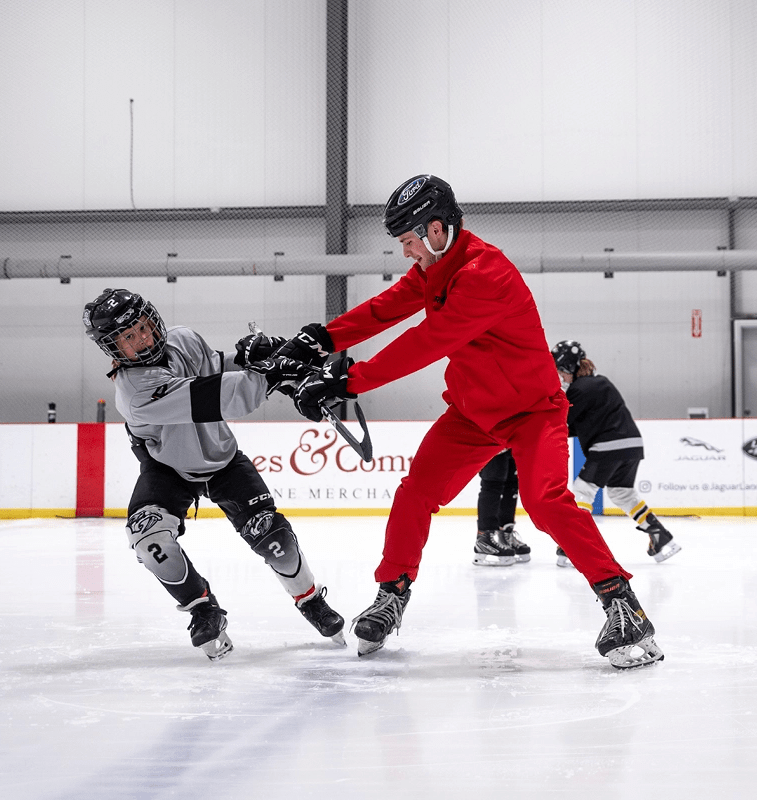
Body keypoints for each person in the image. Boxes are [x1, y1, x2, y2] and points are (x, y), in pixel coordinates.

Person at [280, 174, 663, 670]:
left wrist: (348, 382)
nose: (406, 254)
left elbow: (427, 341)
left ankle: (623, 606)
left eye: (409, 242)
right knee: (416, 490)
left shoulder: (487, 274)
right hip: (473, 413)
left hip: (532, 413)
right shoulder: (438, 266)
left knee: (545, 501)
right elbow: (387, 308)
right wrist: (318, 340)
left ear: (436, 229)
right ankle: (391, 593)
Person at [82, 288, 345, 661]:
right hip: (168, 469)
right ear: (114, 348)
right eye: (128, 337)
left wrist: (258, 355)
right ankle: (202, 608)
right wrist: (278, 371)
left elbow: (218, 367)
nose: (142, 339)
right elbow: (225, 396)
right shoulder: (134, 392)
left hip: (222, 459)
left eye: (142, 327)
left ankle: (310, 600)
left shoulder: (183, 339)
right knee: (148, 538)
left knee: (275, 540)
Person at [551, 340, 681, 568]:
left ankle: (574, 546)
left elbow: (565, 424)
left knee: (583, 490)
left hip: (607, 446)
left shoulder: (579, 390)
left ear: (569, 368)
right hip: (633, 445)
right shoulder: (602, 382)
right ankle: (660, 535)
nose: (561, 376)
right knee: (622, 493)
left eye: (561, 371)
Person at [472, 449, 531, 567]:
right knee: (492, 483)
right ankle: (484, 539)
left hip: (510, 438)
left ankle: (505, 535)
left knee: (512, 483)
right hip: (493, 438)